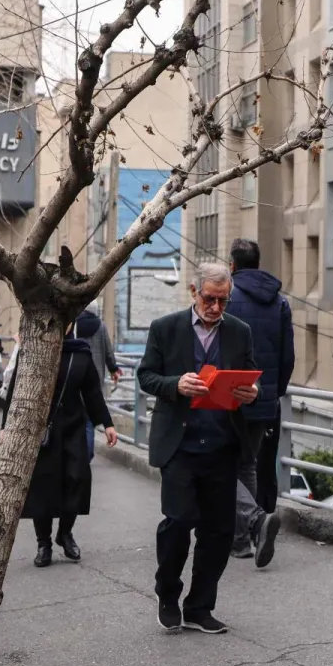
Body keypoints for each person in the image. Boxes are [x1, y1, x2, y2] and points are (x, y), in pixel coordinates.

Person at [137, 262, 260, 635]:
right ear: (194, 293)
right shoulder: (166, 328)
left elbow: (252, 380)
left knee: (218, 532)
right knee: (178, 523)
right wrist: (176, 384)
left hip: (222, 446)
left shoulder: (240, 332)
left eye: (223, 300)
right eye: (210, 299)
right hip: (180, 445)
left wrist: (251, 394)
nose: (216, 307)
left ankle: (200, 607)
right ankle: (168, 595)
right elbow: (146, 375)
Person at [10, 323, 119, 567]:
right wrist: (7, 427)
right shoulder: (33, 350)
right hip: (41, 429)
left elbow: (92, 392)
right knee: (43, 485)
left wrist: (107, 423)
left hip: (73, 426)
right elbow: (16, 391)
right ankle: (43, 544)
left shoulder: (81, 352)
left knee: (77, 478)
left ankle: (65, 532)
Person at [225, 238, 293, 567]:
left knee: (222, 463)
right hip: (265, 398)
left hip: (228, 395)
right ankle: (253, 532)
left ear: (233, 265)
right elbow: (288, 356)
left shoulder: (227, 297)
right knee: (249, 463)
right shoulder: (279, 302)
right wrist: (272, 392)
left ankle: (242, 536)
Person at [74, 300, 121, 461]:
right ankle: (86, 454)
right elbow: (108, 351)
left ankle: (76, 453)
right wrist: (114, 368)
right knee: (89, 418)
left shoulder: (72, 326)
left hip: (74, 378)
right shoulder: (100, 327)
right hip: (94, 380)